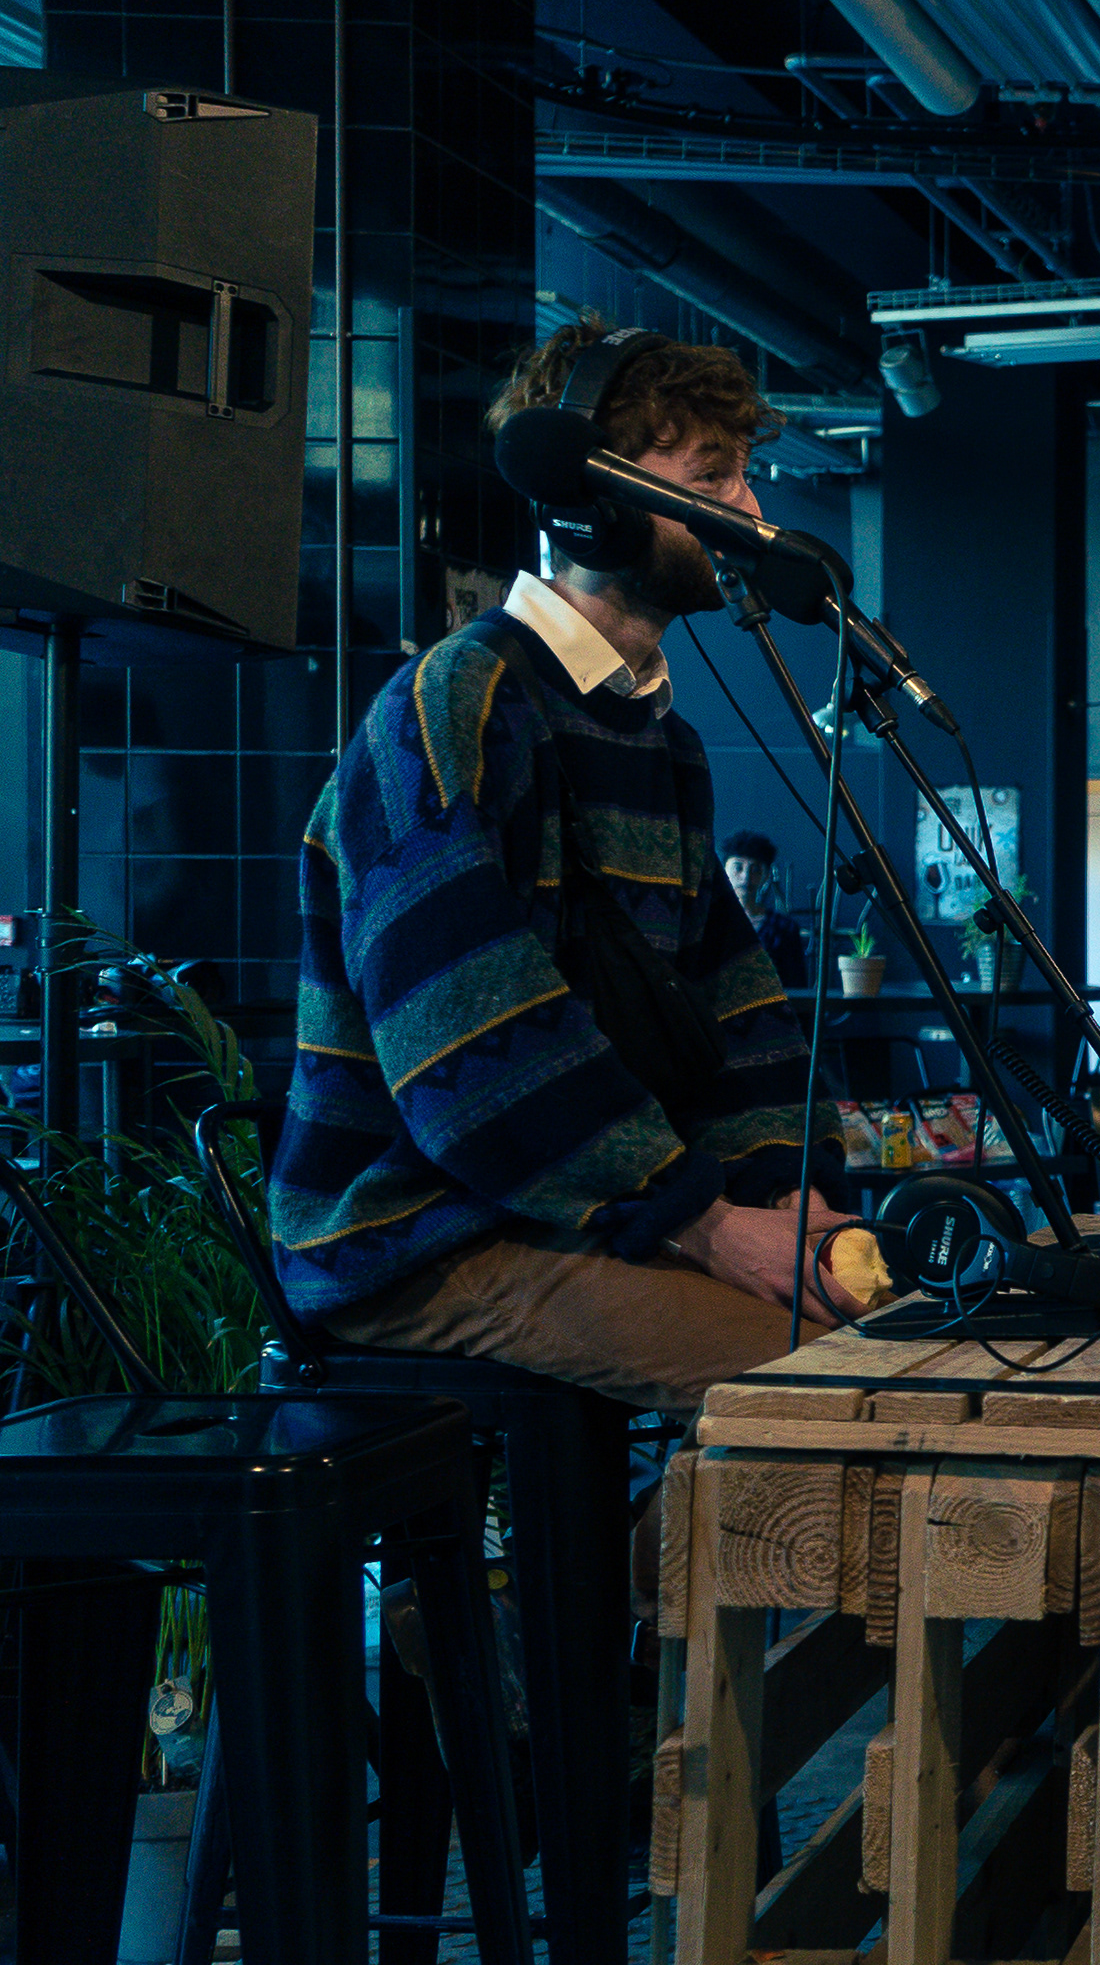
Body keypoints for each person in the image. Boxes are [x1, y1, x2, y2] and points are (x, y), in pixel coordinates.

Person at [272, 319, 859, 1418]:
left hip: (574, 1211)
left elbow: (731, 1000)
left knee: (886, 1338)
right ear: (591, 501)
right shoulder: (459, 700)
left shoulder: (664, 741)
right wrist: (705, 1223)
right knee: (826, 1391)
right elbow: (467, 1034)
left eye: (743, 475)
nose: (749, 509)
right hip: (423, 1232)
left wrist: (790, 1191)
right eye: (712, 477)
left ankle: (649, 1543)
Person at [721, 829, 820, 988]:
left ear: (766, 875)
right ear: (724, 870)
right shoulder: (709, 921)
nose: (746, 877)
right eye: (738, 868)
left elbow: (795, 985)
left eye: (755, 869)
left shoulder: (784, 928)